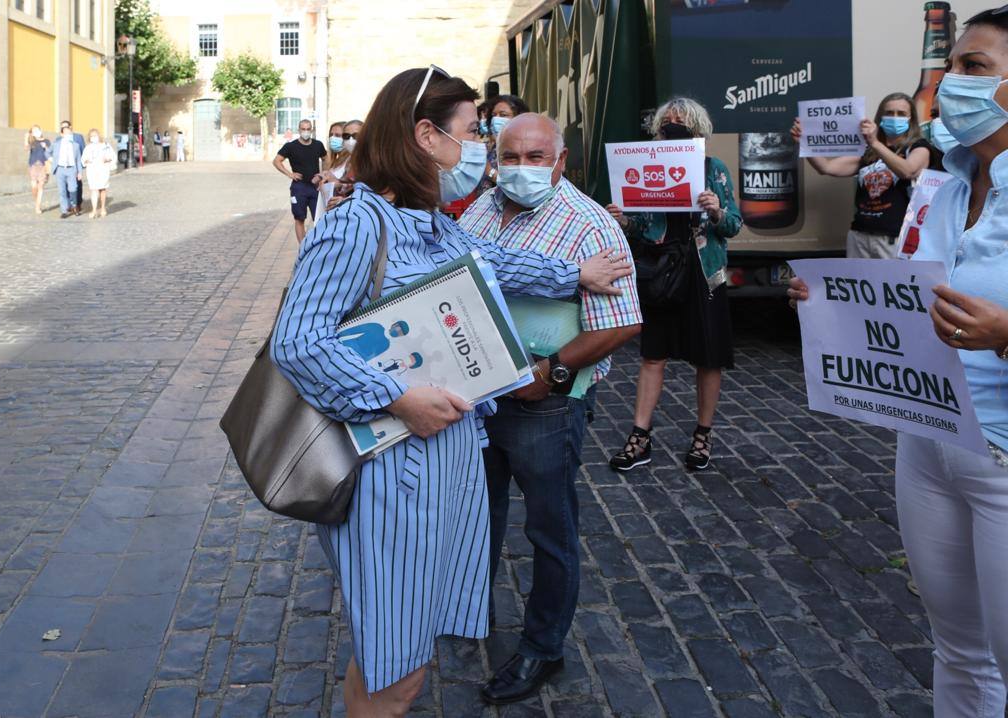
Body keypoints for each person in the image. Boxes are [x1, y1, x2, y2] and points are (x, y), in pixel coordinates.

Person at [270, 66, 632, 718]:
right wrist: (396, 396)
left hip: (437, 470)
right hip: (390, 477)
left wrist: (574, 272)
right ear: (426, 135)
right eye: (474, 132)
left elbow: (493, 262)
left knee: (391, 655)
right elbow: (298, 342)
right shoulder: (358, 224)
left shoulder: (430, 220)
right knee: (397, 670)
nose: (482, 150)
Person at [789, 9, 1008, 715]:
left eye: (975, 68)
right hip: (930, 439)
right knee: (959, 649)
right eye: (953, 67)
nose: (950, 84)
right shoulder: (944, 188)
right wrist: (830, 301)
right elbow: (913, 300)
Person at [459, 113, 642, 704]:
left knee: (550, 531)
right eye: (511, 156)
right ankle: (466, 614)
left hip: (545, 407)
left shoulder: (591, 227)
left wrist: (553, 373)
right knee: (475, 516)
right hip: (478, 400)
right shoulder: (483, 207)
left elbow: (623, 322)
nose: (521, 168)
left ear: (561, 163)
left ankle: (543, 648)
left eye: (536, 158)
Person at [605, 97, 743, 473]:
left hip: (703, 272)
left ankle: (703, 433)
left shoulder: (713, 170)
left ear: (699, 129)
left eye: (683, 120)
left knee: (708, 356)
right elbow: (641, 226)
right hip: (661, 269)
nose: (675, 123)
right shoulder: (647, 166)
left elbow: (733, 225)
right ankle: (640, 434)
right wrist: (624, 221)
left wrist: (716, 211)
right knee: (653, 354)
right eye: (668, 120)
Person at [791, 93, 933, 259]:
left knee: (889, 284)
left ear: (911, 119)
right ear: (880, 117)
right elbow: (826, 167)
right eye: (889, 113)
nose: (894, 117)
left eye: (901, 114)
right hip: (859, 235)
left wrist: (874, 143)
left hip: (894, 238)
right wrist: (804, 142)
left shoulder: (918, 147)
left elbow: (908, 171)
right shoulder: (867, 152)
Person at [273, 118, 327, 243]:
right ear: (299, 130)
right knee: (299, 218)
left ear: (312, 130)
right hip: (299, 188)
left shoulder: (318, 145)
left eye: (308, 129)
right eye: (303, 129)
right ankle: (302, 247)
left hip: (315, 188)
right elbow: (276, 161)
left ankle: (319, 246)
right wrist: (290, 174)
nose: (306, 131)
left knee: (319, 218)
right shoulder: (290, 146)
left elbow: (326, 158)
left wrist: (323, 175)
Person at [477, 94, 529, 192]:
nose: (496, 119)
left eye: (503, 115)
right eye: (494, 115)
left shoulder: (525, 148)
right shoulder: (495, 147)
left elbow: (519, 187)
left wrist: (490, 172)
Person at [47, 123, 83, 218]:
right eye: (66, 133)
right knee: (62, 191)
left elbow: (78, 160)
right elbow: (47, 152)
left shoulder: (76, 145)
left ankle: (74, 206)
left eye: (70, 133)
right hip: (60, 169)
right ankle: (64, 210)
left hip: (71, 170)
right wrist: (51, 159)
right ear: (62, 134)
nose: (68, 135)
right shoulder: (56, 144)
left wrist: (79, 172)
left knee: (73, 189)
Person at [81, 129, 114, 218]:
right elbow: (83, 158)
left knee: (102, 189)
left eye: (95, 135)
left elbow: (112, 156)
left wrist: (107, 159)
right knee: (93, 189)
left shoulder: (105, 146)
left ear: (99, 136)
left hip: (103, 170)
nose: (93, 137)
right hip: (92, 170)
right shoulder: (88, 147)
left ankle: (103, 208)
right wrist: (86, 160)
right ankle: (94, 210)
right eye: (91, 136)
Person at [59, 121, 86, 210]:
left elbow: (82, 150)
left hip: (75, 166)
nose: (64, 128)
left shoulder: (78, 137)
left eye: (66, 126)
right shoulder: (59, 139)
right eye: (62, 127)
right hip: (64, 167)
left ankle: (78, 203)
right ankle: (69, 204)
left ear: (70, 127)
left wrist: (80, 168)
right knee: (65, 187)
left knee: (77, 185)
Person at [24, 125, 51, 215]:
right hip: (33, 165)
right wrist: (26, 138)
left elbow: (50, 152)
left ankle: (37, 206)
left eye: (37, 130)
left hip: (43, 166)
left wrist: (45, 147)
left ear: (40, 130)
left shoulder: (46, 141)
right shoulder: (32, 142)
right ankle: (37, 203)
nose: (36, 132)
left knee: (41, 186)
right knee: (34, 187)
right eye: (34, 131)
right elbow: (26, 149)